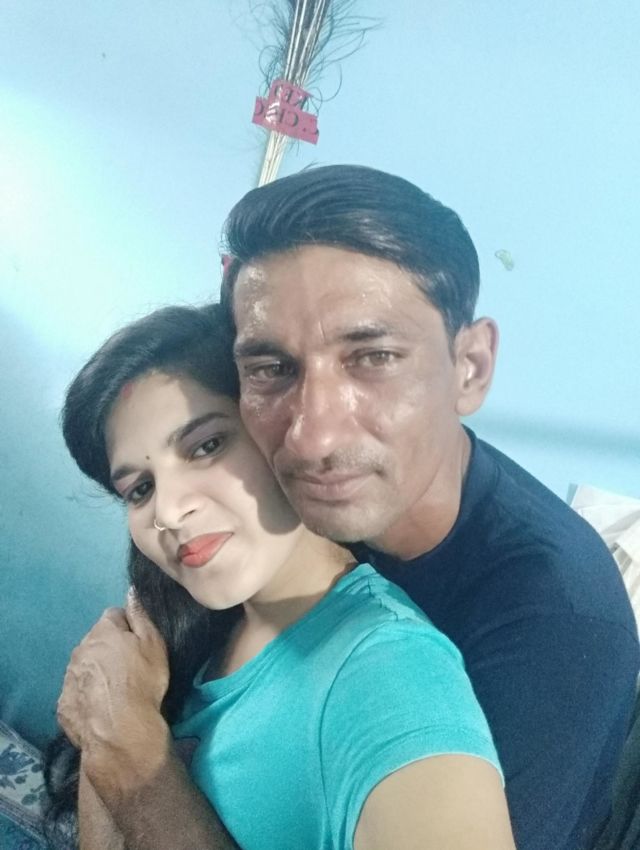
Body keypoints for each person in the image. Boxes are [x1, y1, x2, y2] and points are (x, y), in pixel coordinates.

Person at [217, 164, 640, 850]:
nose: (313, 437)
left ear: (470, 368)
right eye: (271, 369)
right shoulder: (276, 499)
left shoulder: (557, 621)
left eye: (374, 358)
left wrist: (133, 761)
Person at [46, 303, 516, 850]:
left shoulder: (389, 674)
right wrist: (112, 727)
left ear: (284, 428)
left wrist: (130, 747)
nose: (168, 512)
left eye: (207, 446)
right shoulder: (183, 632)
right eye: (140, 489)